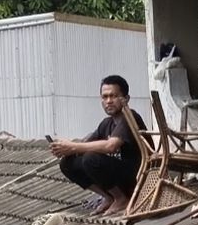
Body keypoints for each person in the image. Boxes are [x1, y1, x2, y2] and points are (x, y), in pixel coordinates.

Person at [50, 75, 149, 216]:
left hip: (138, 175)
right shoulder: (106, 123)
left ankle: (122, 199)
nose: (108, 101)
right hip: (119, 177)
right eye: (104, 97)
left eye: (113, 96)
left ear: (126, 99)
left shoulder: (130, 117)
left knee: (91, 158)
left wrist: (73, 147)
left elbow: (110, 146)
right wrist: (64, 148)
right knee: (68, 163)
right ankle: (109, 196)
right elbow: (85, 145)